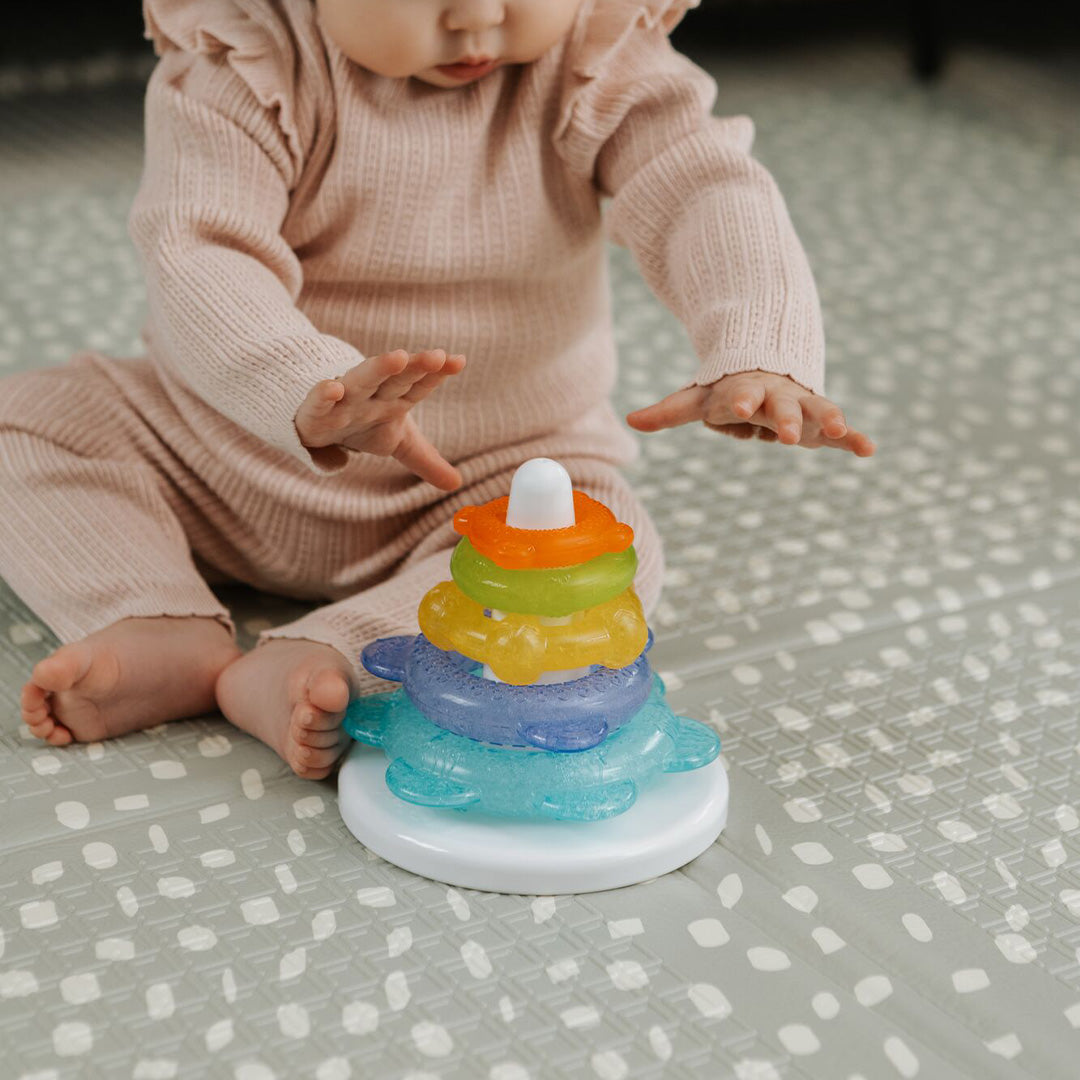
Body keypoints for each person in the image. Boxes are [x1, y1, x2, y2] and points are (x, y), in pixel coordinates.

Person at [0, 0, 874, 780]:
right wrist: (304, 384)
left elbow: (702, 189)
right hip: (216, 450)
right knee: (26, 419)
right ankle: (153, 614)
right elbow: (200, 250)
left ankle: (327, 654)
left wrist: (756, 345)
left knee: (610, 544)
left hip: (485, 490)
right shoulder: (246, 60)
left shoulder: (598, 59)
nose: (475, 16)